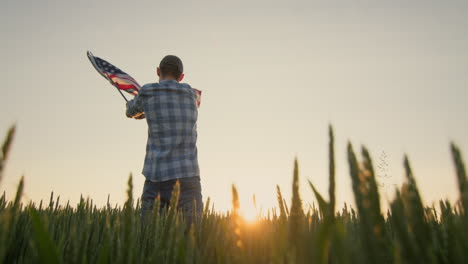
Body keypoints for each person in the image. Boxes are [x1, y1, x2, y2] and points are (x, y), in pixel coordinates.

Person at [126, 55, 202, 225]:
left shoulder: (147, 92)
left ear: (158, 71)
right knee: (192, 238)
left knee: (149, 238)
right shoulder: (192, 94)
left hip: (157, 178)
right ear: (181, 77)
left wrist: (142, 112)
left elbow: (130, 111)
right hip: (188, 178)